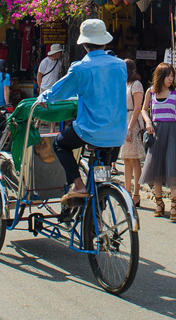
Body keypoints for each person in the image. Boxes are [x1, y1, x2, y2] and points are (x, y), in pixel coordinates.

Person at [37, 19, 126, 204]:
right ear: (104, 41)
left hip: (91, 131)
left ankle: (78, 185)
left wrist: (44, 98)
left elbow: (60, 90)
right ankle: (99, 216)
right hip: (117, 133)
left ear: (84, 44)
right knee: (101, 179)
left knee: (60, 143)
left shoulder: (81, 68)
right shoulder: (120, 65)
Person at [140, 62, 176, 220]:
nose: (171, 78)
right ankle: (159, 204)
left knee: (172, 166)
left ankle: (174, 204)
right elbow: (144, 109)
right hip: (156, 131)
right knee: (156, 168)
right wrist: (147, 122)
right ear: (160, 76)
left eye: (172, 75)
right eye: (168, 75)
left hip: (172, 131)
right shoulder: (150, 92)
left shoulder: (175, 92)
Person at [119, 59, 146, 207]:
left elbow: (137, 108)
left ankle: (136, 194)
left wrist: (130, 128)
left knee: (134, 159)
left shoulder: (136, 85)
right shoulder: (125, 85)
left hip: (132, 121)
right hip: (124, 120)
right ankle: (126, 192)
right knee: (126, 159)